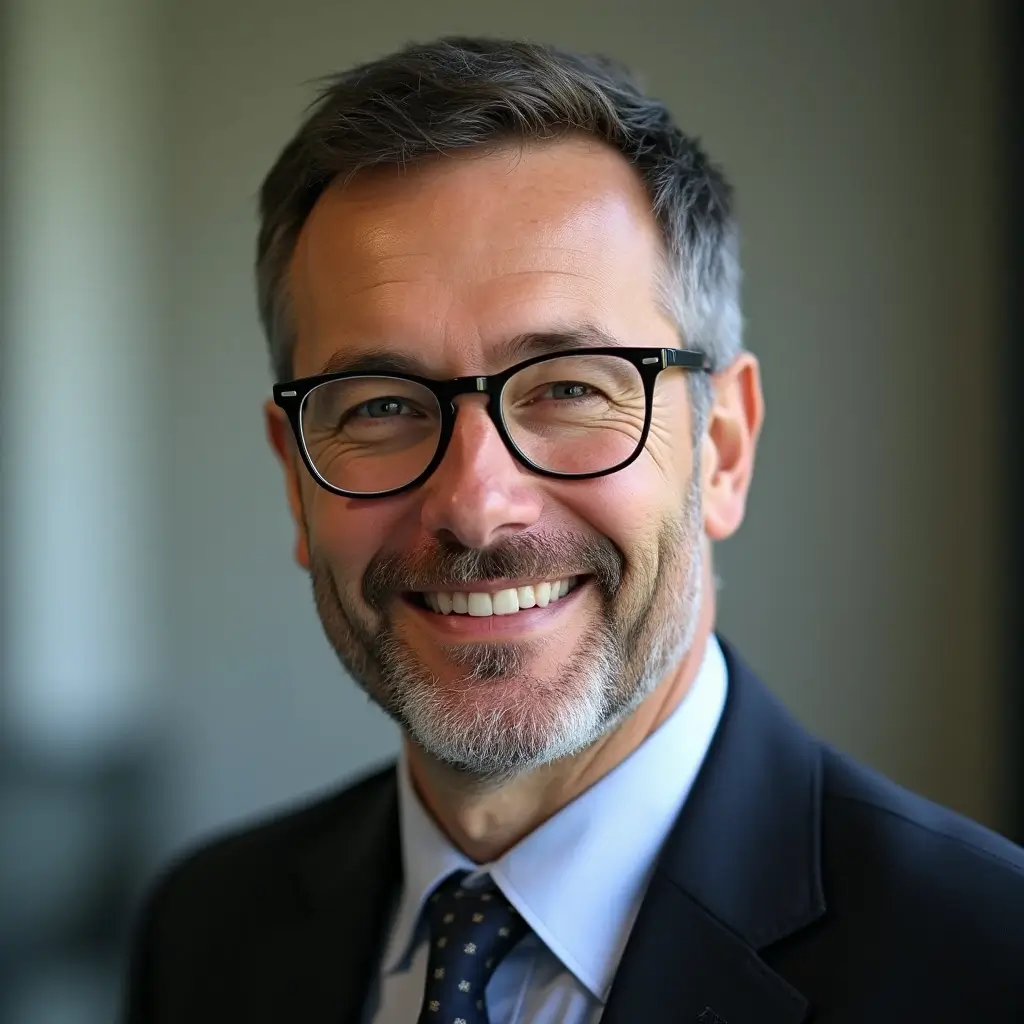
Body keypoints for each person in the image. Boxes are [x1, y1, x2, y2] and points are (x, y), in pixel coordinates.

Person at [122, 37, 1024, 1024]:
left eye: (568, 389)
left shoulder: (986, 959)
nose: (475, 505)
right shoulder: (206, 931)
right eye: (381, 405)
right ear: (295, 476)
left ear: (722, 448)